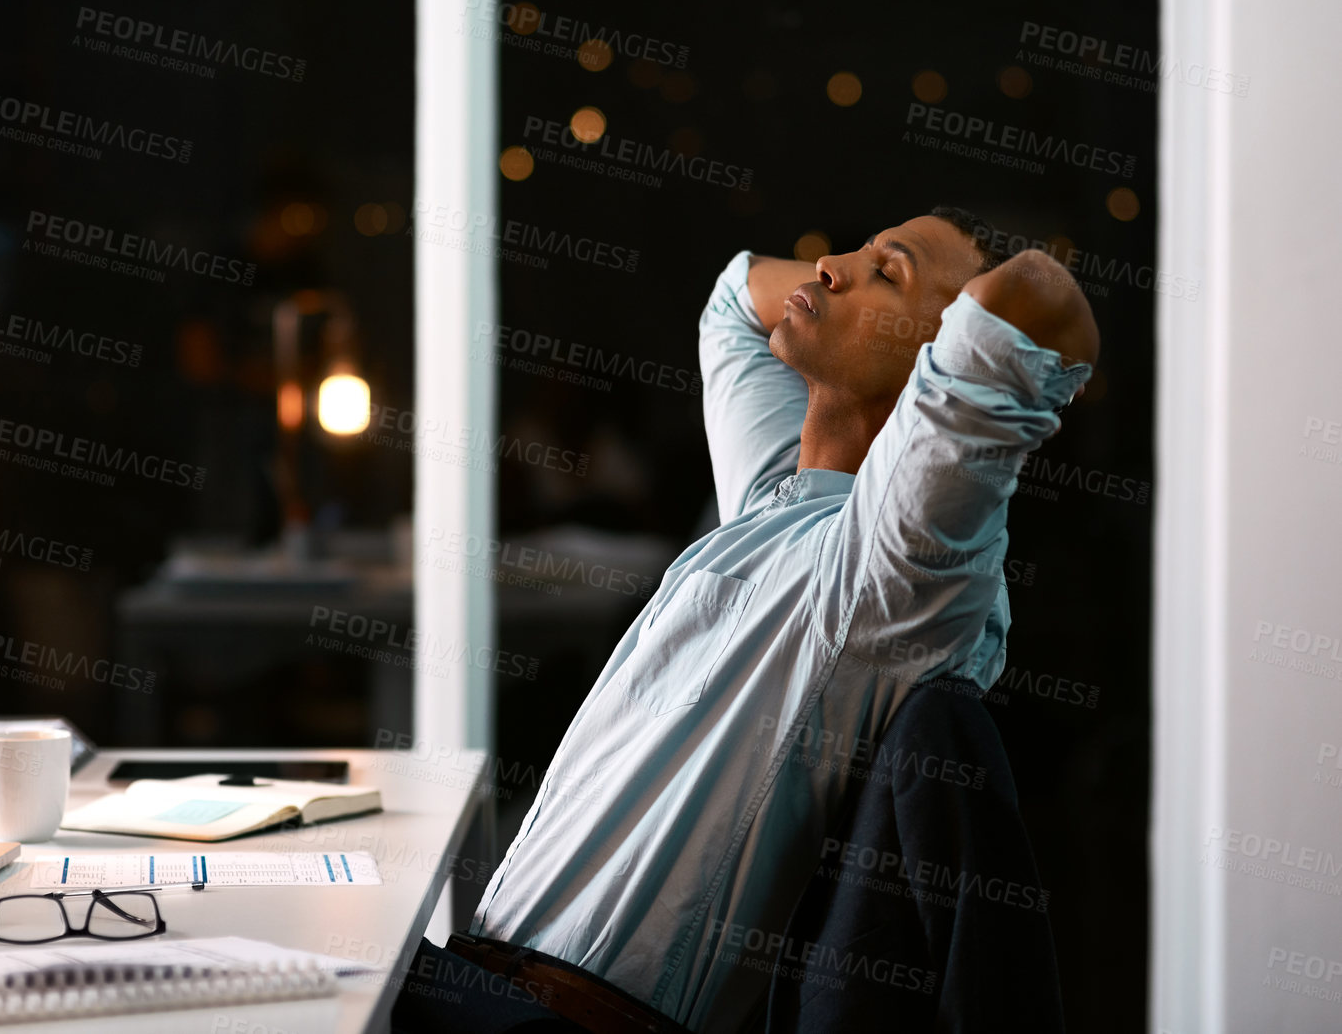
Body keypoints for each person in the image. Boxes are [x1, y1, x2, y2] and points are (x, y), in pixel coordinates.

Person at [439, 208, 1098, 1032]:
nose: (827, 266)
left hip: (559, 1019)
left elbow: (1037, 299)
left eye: (883, 271)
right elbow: (731, 298)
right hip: (475, 986)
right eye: (850, 250)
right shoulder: (774, 503)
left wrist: (948, 343)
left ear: (941, 361)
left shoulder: (885, 573)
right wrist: (877, 284)